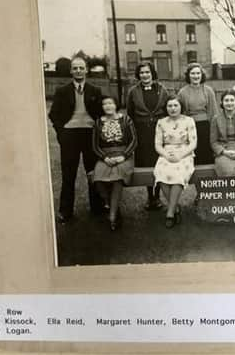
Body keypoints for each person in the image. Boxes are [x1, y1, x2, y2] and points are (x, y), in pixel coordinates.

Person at [48, 57, 105, 223]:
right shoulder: (62, 91)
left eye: (81, 68)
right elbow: (53, 115)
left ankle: (97, 207)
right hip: (70, 136)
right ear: (71, 71)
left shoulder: (95, 90)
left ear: (86, 70)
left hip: (90, 135)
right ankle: (65, 211)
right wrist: (62, 132)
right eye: (75, 68)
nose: (78, 71)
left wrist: (98, 131)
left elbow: (101, 114)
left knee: (93, 172)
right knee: (68, 174)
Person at [126, 61, 171, 210]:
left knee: (159, 163)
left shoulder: (162, 90)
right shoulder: (133, 91)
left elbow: (168, 110)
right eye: (142, 73)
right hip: (142, 132)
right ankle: (150, 198)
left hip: (159, 131)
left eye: (147, 72)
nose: (145, 75)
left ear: (152, 74)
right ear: (138, 75)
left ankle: (157, 197)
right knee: (146, 165)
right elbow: (130, 114)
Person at [91, 96, 137, 231]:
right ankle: (111, 204)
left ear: (116, 105)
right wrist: (104, 158)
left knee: (118, 179)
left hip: (124, 155)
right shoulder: (98, 122)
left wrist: (123, 156)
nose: (108, 106)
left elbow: (134, 141)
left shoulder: (126, 119)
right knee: (98, 179)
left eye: (110, 103)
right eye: (105, 104)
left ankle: (112, 217)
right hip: (105, 156)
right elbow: (94, 146)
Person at [153, 95, 197, 229]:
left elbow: (193, 143)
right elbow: (158, 144)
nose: (173, 108)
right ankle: (175, 207)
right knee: (160, 174)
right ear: (166, 108)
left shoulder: (189, 121)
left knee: (178, 176)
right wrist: (166, 155)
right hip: (166, 153)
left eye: (175, 105)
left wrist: (180, 155)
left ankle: (170, 213)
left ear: (181, 107)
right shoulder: (161, 122)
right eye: (170, 106)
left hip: (185, 153)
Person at [177, 62, 217, 165]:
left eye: (198, 73)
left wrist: (213, 130)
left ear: (201, 75)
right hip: (189, 126)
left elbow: (213, 112)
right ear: (188, 75)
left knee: (206, 153)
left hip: (205, 126)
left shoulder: (208, 91)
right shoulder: (182, 92)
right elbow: (181, 113)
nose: (196, 76)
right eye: (193, 74)